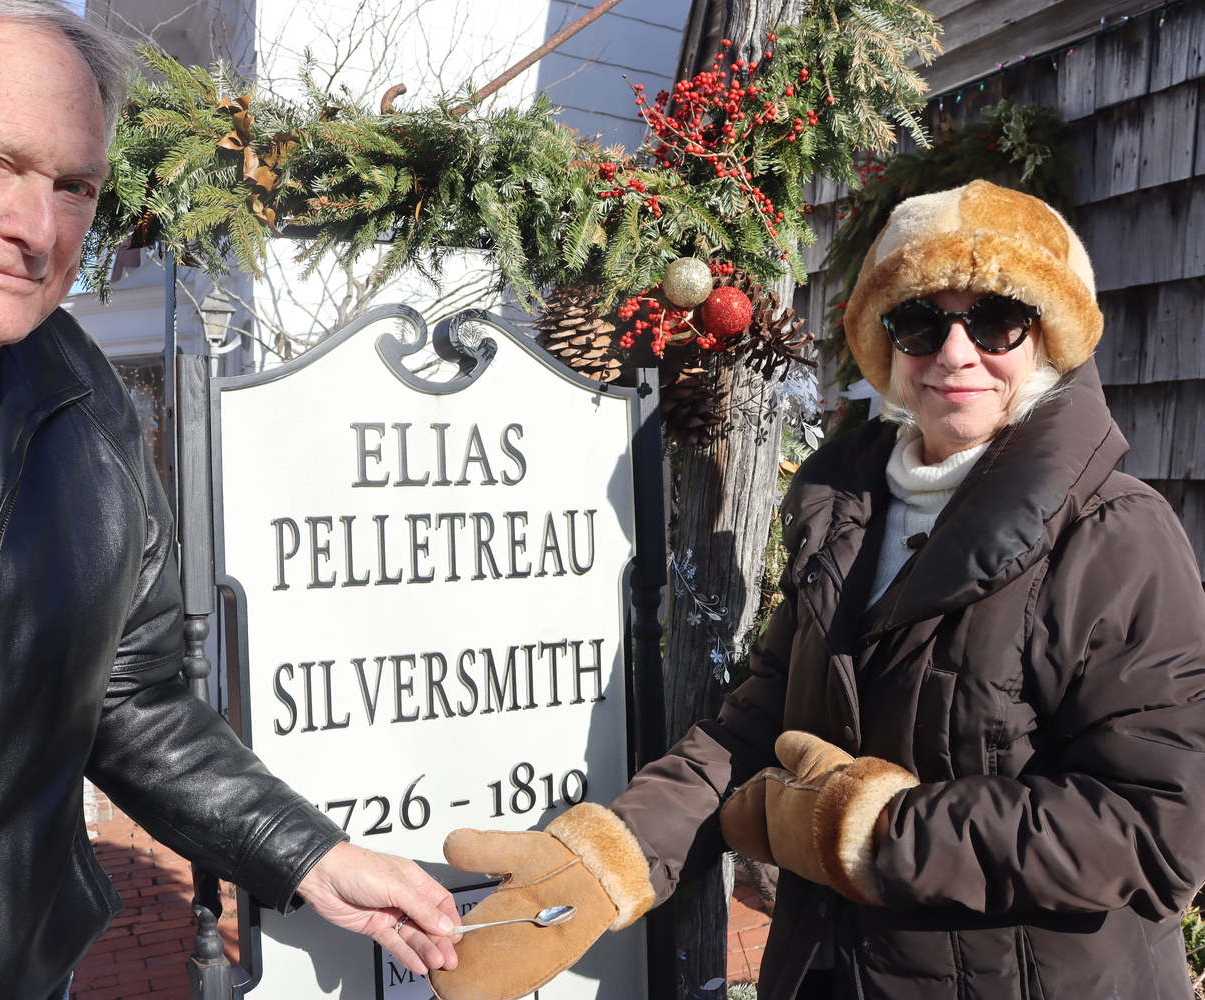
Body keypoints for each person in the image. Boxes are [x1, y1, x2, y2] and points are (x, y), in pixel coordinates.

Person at [0, 2, 460, 998]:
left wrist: (312, 853)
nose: (34, 228)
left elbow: (128, 698)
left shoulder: (83, 406)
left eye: (74, 187)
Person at [427, 180, 1205, 1000]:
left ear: (1049, 334)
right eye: (919, 320)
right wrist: (615, 854)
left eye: (995, 318)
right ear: (885, 340)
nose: (954, 351)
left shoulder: (1114, 533)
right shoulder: (848, 510)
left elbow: (1158, 830)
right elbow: (762, 720)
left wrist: (872, 832)